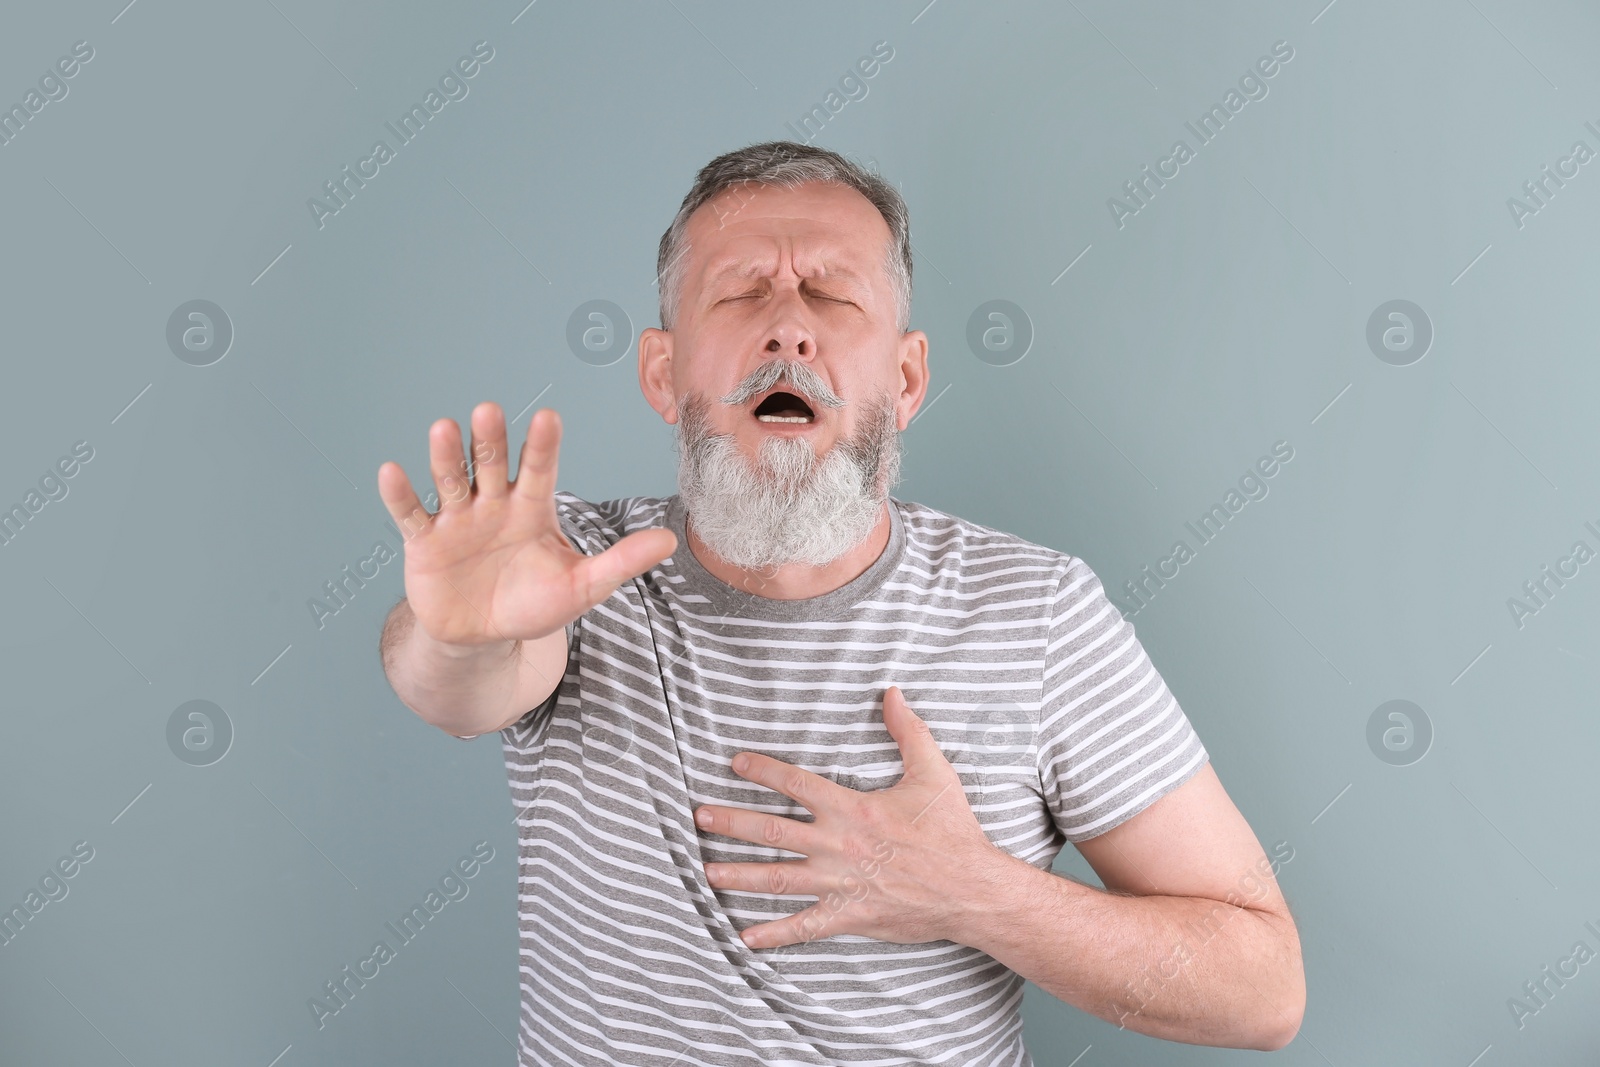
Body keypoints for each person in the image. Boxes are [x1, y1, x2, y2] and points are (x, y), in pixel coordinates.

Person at [377, 141, 1304, 1065]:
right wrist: (457, 634)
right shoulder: (574, 568)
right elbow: (456, 679)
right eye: (741, 292)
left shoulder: (1038, 613)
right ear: (663, 373)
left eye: (831, 294)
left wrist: (973, 891)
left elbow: (1262, 991)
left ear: (905, 380)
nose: (788, 328)